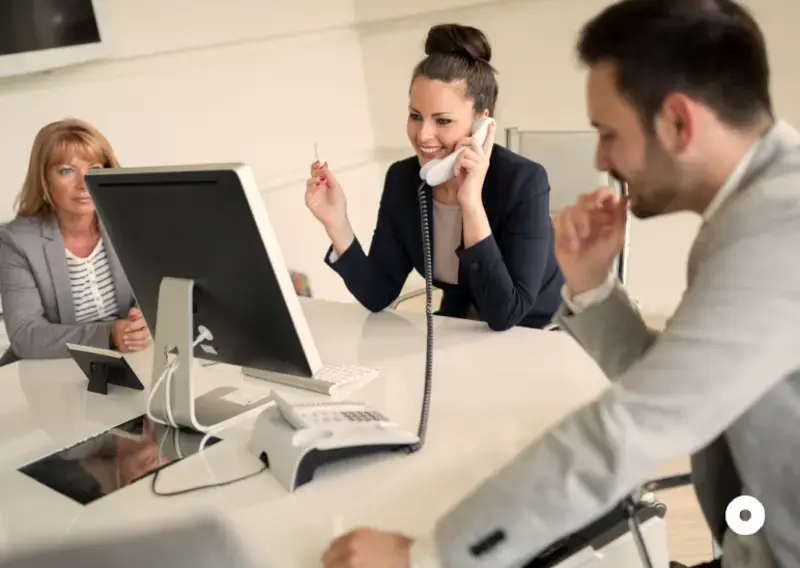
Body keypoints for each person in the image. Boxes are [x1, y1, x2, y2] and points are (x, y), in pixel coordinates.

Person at [321, 1, 800, 567]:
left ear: (677, 122)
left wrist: (427, 557)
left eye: (607, 133)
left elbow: (629, 427)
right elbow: (683, 388)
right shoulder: (752, 211)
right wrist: (594, 287)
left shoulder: (775, 237)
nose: (599, 157)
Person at [305, 24, 563, 331]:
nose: (423, 135)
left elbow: (506, 314)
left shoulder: (524, 182)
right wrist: (337, 224)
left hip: (538, 331)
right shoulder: (404, 179)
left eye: (442, 120)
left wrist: (471, 203)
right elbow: (378, 294)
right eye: (415, 116)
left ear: (482, 123)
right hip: (458, 328)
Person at [0, 118, 151, 363]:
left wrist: (145, 323)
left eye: (94, 170)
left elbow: (161, 297)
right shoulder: (17, 241)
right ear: (44, 180)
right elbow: (26, 336)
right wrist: (110, 335)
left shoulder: (133, 224)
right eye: (66, 171)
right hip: (50, 372)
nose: (84, 184)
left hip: (133, 360)